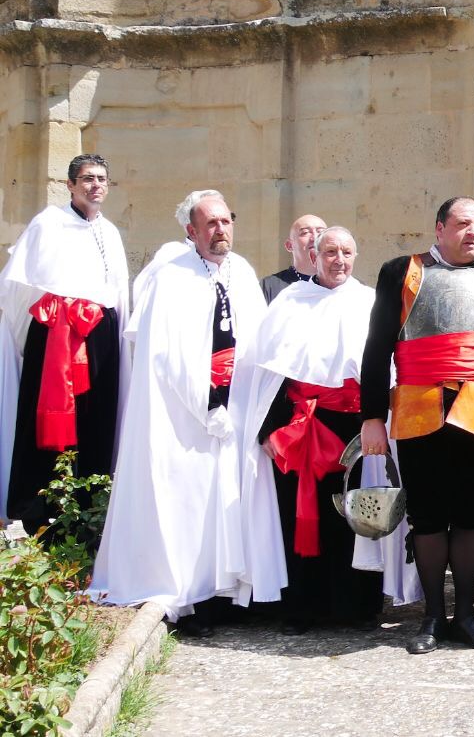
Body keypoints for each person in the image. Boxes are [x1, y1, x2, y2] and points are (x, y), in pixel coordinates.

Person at [90, 190, 281, 633]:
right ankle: (193, 598)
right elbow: (168, 354)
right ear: (191, 231)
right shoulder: (172, 277)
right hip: (186, 414)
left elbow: (258, 341)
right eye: (210, 223)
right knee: (190, 504)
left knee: (231, 500)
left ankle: (230, 594)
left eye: (226, 221)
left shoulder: (242, 271)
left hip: (237, 406)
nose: (220, 230)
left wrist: (252, 404)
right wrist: (206, 404)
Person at [358, 197, 474, 654]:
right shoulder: (402, 272)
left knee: (473, 515)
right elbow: (376, 348)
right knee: (428, 515)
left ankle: (467, 616)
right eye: (462, 224)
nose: (472, 232)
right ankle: (433, 616)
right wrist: (372, 416)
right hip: (420, 409)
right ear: (439, 229)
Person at [231, 226, 385, 633]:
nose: (339, 260)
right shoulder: (289, 302)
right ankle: (301, 607)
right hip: (301, 426)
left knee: (355, 515)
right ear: (314, 257)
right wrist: (268, 430)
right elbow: (266, 373)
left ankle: (355, 607)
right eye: (330, 252)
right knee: (299, 515)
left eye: (346, 252)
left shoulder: (369, 301)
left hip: (355, 427)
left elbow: (382, 371)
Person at [1, 154, 129, 527]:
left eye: (102, 179)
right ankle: (38, 515)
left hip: (100, 336)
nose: (96, 185)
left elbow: (119, 293)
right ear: (70, 185)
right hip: (56, 337)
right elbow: (19, 290)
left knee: (96, 419)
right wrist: (34, 335)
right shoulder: (48, 223)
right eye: (87, 178)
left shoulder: (110, 231)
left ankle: (90, 512)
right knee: (47, 426)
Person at [260, 214, 326, 303]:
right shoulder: (269, 286)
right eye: (305, 232)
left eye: (321, 232)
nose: (314, 237)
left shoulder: (339, 285)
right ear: (289, 245)